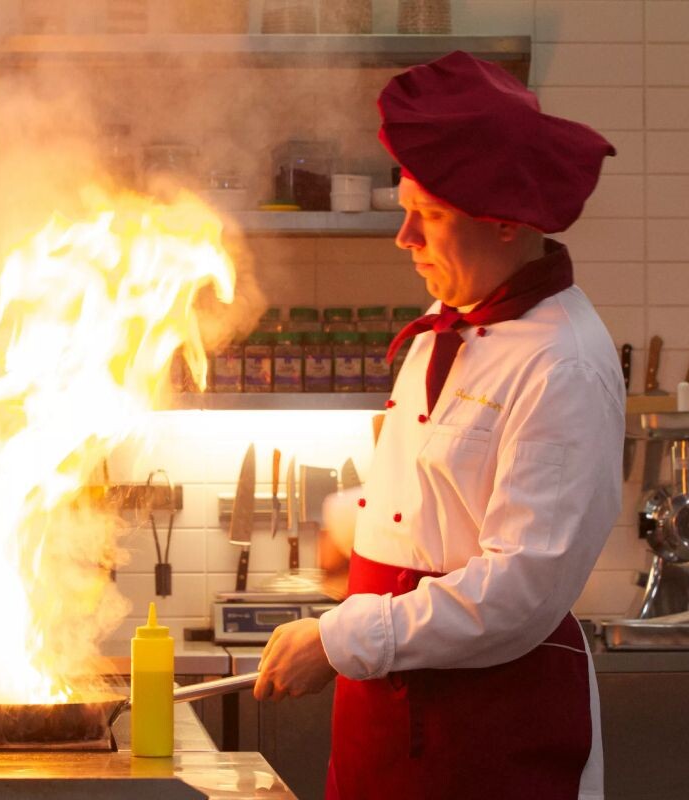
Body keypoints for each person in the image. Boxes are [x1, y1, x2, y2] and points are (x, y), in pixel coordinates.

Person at [252, 52, 624, 800]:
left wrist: (340, 638)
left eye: (430, 215)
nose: (404, 238)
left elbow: (519, 591)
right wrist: (352, 524)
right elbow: (440, 497)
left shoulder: (563, 364)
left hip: (486, 739)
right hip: (389, 728)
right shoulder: (444, 323)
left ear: (507, 221)